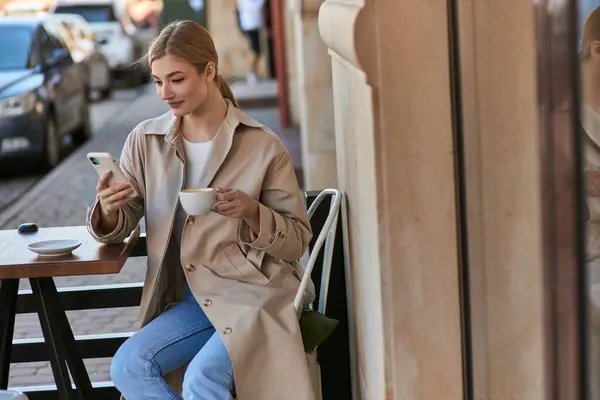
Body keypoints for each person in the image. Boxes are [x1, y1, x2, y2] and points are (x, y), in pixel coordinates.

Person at [86, 20, 316, 400]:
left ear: (209, 70)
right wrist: (110, 210)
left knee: (201, 379)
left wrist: (252, 212)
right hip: (191, 298)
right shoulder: (146, 140)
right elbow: (123, 220)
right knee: (129, 365)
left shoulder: (261, 145)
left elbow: (296, 242)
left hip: (254, 295)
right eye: (158, 82)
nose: (165, 93)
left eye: (176, 80)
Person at [236, 0, 265, 84]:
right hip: (250, 26)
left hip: (252, 26)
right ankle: (251, 74)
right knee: (255, 51)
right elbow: (257, 6)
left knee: (256, 51)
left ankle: (253, 73)